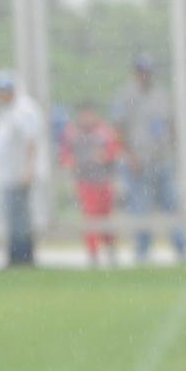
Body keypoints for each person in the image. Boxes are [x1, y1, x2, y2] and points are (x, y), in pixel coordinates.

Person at [113, 54, 186, 263]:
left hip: (161, 160)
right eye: (141, 71)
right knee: (140, 209)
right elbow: (118, 129)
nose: (144, 75)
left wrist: (173, 148)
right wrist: (130, 157)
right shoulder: (125, 96)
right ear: (135, 73)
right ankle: (142, 252)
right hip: (138, 162)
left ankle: (181, 249)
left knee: (171, 205)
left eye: (147, 71)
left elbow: (171, 124)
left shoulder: (161, 95)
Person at [0, 69, 47, 268]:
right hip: (8, 175)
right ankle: (14, 256)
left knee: (21, 219)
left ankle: (23, 257)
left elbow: (31, 141)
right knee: (12, 218)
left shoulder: (24, 110)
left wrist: (28, 170)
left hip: (21, 174)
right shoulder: (7, 111)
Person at [60, 102, 122, 267]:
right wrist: (71, 163)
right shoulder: (72, 133)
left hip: (104, 182)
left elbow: (114, 151)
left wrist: (105, 156)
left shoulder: (105, 132)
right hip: (85, 184)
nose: (87, 118)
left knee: (106, 219)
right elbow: (65, 156)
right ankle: (93, 255)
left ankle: (110, 251)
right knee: (90, 219)